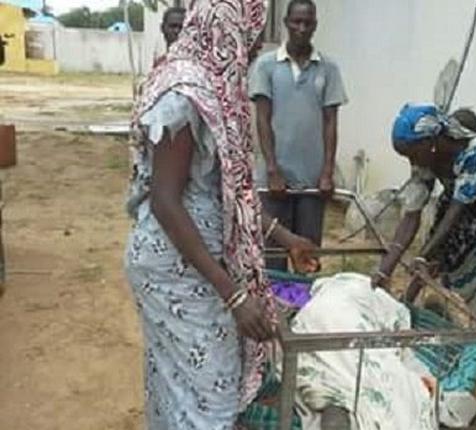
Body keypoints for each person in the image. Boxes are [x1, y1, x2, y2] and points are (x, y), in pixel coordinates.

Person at [125, 1, 317, 428]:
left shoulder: (213, 90)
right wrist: (234, 295)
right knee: (210, 396)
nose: (249, 54)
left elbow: (225, 195)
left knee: (185, 386)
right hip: (175, 269)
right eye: (247, 42)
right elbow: (165, 200)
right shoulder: (185, 93)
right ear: (223, 31)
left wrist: (284, 238)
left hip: (198, 263)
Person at [373, 104, 476, 366]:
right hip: (460, 211)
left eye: (412, 154)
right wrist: (383, 270)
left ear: (431, 141)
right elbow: (412, 215)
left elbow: (456, 214)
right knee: (438, 269)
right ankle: (411, 315)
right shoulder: (426, 158)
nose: (411, 162)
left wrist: (422, 258)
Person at [248, 0, 348, 271]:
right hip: (274, 180)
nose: (301, 28)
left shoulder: (328, 68)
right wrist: (272, 169)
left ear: (315, 25)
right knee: (273, 255)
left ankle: (301, 310)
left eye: (307, 23)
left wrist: (327, 171)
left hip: (312, 182)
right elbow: (263, 120)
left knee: (307, 255)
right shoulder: (266, 66)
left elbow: (330, 122)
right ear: (286, 23)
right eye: (296, 22)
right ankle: (276, 311)